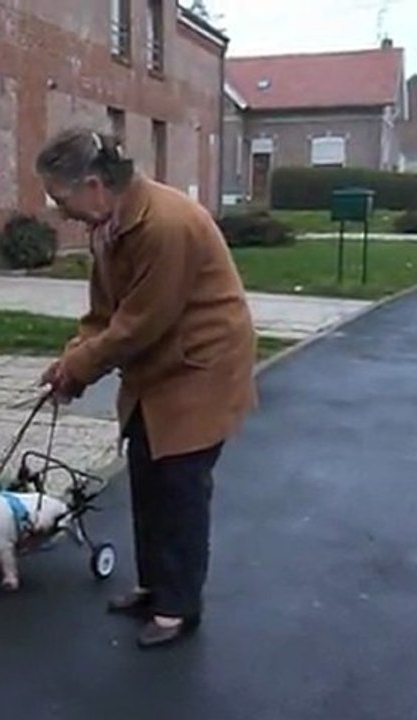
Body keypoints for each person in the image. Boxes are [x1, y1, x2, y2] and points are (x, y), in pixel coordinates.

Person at [36, 127, 257, 649]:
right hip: (157, 369)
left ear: (93, 184)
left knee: (179, 489)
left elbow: (139, 324)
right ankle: (156, 587)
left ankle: (178, 608)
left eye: (60, 198)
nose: (58, 210)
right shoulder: (106, 225)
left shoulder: (165, 224)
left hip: (200, 368)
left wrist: (80, 370)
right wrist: (69, 362)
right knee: (146, 476)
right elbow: (102, 316)